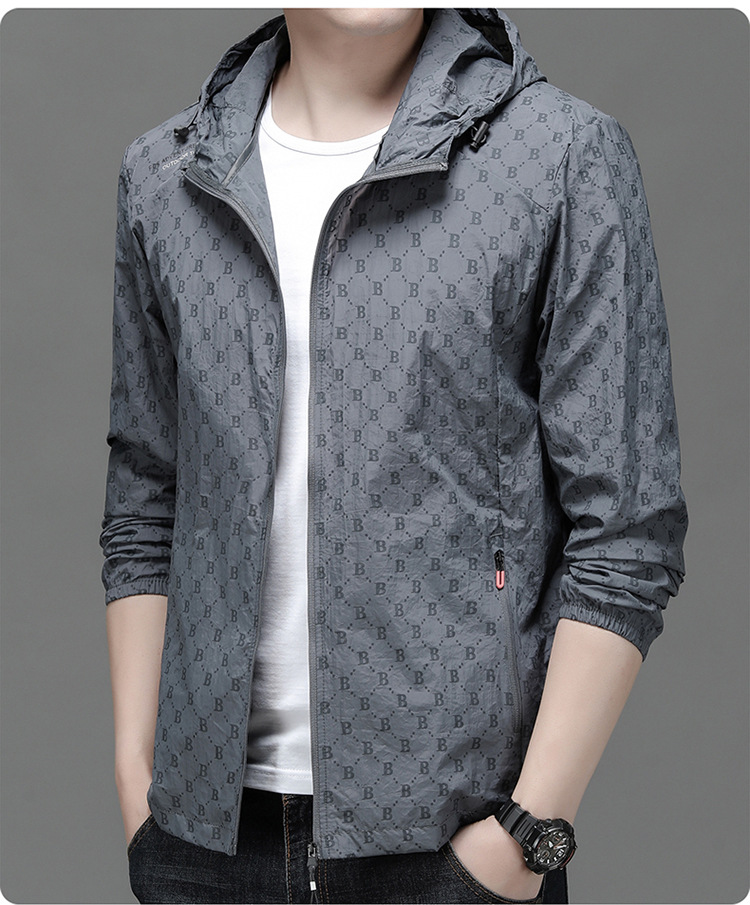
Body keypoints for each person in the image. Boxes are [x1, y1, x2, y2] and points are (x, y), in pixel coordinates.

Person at [100, 8, 688, 904]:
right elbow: (147, 493)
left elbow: (629, 529)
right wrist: (135, 774)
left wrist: (525, 835)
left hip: (452, 845)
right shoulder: (166, 175)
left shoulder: (559, 157)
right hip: (199, 844)